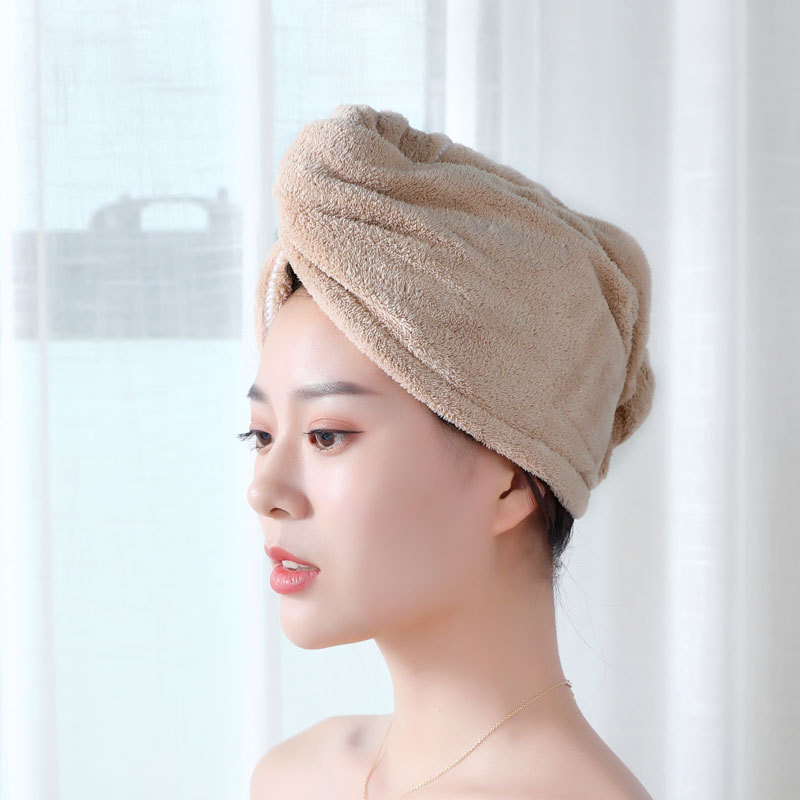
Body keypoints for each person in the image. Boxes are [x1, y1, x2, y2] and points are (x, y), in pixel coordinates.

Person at [244, 104, 655, 799]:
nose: (263, 490)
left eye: (326, 435)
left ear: (510, 478)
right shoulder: (294, 778)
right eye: (260, 436)